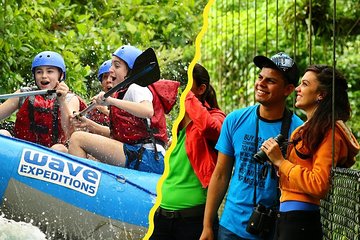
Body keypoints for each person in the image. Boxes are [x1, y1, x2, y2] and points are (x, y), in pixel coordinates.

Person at [200, 52, 304, 240]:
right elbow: (221, 173)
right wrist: (207, 226)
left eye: (270, 81)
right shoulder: (234, 120)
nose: (261, 84)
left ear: (288, 89)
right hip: (231, 227)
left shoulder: (299, 131)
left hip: (275, 229)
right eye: (260, 77)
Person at [260, 65, 360, 240]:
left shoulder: (330, 133)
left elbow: (319, 184)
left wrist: (281, 162)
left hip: (300, 222)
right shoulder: (304, 130)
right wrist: (276, 162)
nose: (298, 89)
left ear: (321, 94)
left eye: (305, 84)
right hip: (287, 217)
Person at [68, 45, 178, 174]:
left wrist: (110, 101)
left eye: (117, 65)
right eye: (111, 65)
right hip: (141, 155)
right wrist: (89, 124)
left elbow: (147, 111)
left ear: (130, 71)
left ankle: (83, 186)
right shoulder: (124, 93)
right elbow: (116, 136)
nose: (111, 69)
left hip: (148, 158)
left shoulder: (136, 87)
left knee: (77, 139)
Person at [150, 63, 226, 240]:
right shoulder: (176, 125)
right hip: (162, 217)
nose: (183, 91)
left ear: (201, 89)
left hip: (194, 221)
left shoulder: (216, 116)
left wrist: (188, 98)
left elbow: (210, 128)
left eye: (188, 86)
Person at [0, 51, 80, 150]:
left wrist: (62, 100)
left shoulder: (70, 99)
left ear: (61, 75)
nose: (44, 76)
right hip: (20, 148)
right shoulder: (24, 94)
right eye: (39, 72)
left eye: (50, 71)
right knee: (2, 134)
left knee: (59, 148)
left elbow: (70, 132)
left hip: (52, 152)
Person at [70, 59, 112, 134]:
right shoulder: (96, 103)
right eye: (105, 77)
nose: (108, 80)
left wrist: (105, 111)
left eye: (112, 77)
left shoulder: (126, 98)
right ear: (101, 83)